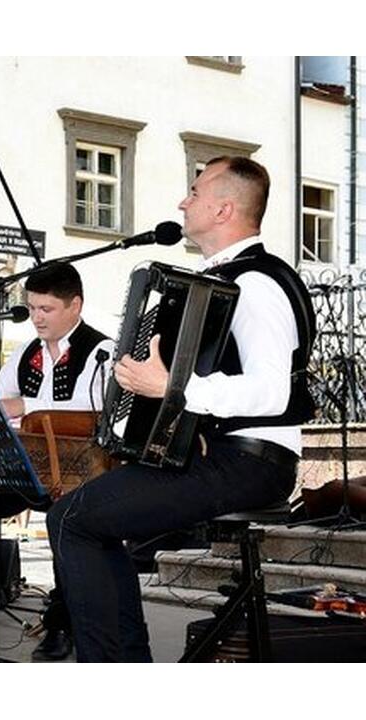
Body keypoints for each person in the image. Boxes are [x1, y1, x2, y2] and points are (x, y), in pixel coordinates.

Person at [48, 156, 315, 662]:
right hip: (224, 456)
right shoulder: (227, 277)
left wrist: (173, 387)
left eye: (194, 191)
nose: (182, 201)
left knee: (71, 520)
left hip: (251, 462)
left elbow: (273, 392)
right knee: (90, 520)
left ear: (223, 208)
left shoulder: (257, 285)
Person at [0, 262, 114, 659]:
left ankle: (62, 623)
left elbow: (94, 408)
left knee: (66, 524)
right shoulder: (26, 352)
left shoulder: (101, 350)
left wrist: (21, 404)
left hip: (78, 472)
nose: (36, 317)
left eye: (46, 309)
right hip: (28, 467)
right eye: (32, 308)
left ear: (75, 306)